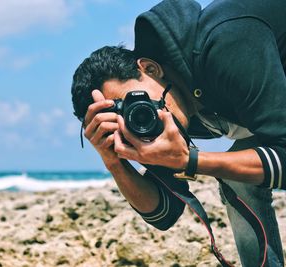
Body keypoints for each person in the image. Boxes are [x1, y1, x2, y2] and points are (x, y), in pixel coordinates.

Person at [70, 0, 285, 266]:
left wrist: (190, 161)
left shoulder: (225, 44)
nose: (138, 117)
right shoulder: (163, 105)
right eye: (123, 118)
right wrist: (113, 161)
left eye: (136, 103)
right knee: (238, 177)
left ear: (149, 68)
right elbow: (165, 213)